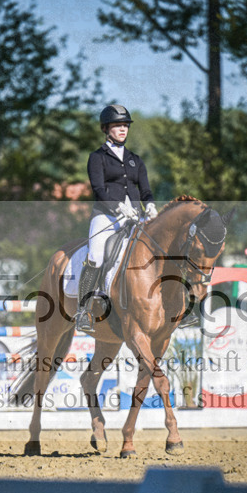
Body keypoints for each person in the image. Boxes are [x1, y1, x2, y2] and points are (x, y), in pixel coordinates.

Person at [74, 104, 157, 332]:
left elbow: (146, 189)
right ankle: (83, 310)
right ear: (106, 128)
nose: (122, 129)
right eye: (117, 125)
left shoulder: (135, 160)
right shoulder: (97, 157)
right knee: (96, 255)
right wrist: (118, 206)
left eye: (125, 125)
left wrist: (149, 205)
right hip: (107, 216)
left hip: (135, 217)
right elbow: (98, 189)